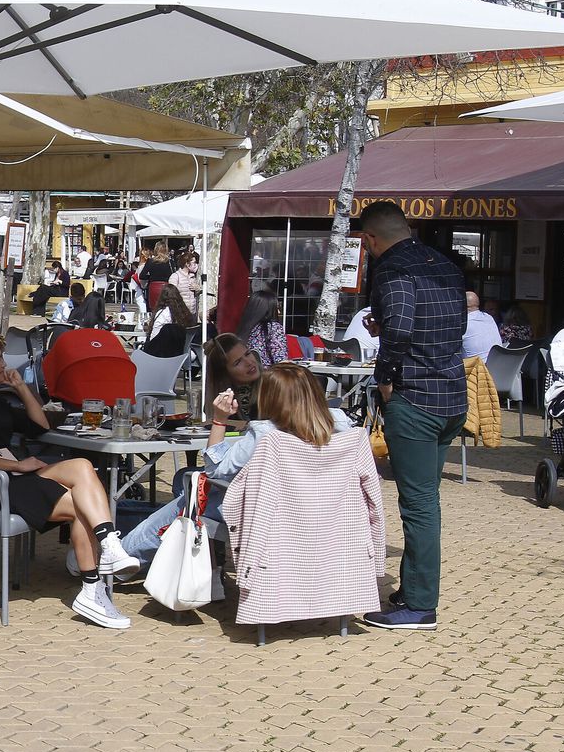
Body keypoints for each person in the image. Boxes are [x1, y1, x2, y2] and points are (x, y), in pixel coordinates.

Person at [0, 334, 139, 629]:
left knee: (83, 466)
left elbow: (39, 425)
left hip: (18, 475)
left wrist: (21, 388)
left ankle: (107, 546)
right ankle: (92, 587)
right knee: (82, 505)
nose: (4, 364)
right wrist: (17, 464)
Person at [119, 361, 352, 571]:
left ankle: (125, 555)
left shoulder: (267, 434)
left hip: (265, 515)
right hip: (324, 512)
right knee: (184, 477)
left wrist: (219, 420)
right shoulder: (344, 428)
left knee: (193, 491)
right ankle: (205, 564)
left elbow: (215, 469)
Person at [355, 200, 466, 632]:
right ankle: (413, 590)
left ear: (369, 239)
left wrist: (384, 377)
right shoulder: (445, 265)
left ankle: (420, 606)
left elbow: (399, 328)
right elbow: (448, 324)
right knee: (427, 500)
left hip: (415, 399)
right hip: (452, 396)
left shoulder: (392, 269)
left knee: (419, 505)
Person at [206, 331, 263, 421]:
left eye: (247, 354)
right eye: (238, 362)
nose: (249, 362)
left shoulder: (273, 388)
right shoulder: (220, 405)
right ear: (225, 374)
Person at [236, 291, 288, 367]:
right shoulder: (274, 328)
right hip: (268, 376)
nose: (279, 312)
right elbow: (281, 361)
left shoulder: (244, 329)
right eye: (276, 308)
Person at [141, 283, 194, 358]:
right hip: (179, 351)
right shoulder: (184, 313)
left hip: (159, 352)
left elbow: (154, 336)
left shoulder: (162, 313)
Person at [460, 291, 502, 364]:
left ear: (462, 305)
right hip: (498, 367)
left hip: (476, 372)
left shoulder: (463, 323)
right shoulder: (489, 318)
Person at [138, 243, 172, 310]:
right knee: (165, 309)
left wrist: (150, 277)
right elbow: (171, 275)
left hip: (153, 286)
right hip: (165, 286)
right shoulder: (168, 261)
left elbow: (142, 276)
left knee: (153, 309)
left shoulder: (150, 261)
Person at [169, 250, 203, 315]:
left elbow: (196, 295)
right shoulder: (175, 276)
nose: (196, 265)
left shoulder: (193, 277)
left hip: (192, 313)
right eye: (194, 263)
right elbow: (171, 294)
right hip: (180, 314)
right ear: (187, 264)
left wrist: (198, 289)